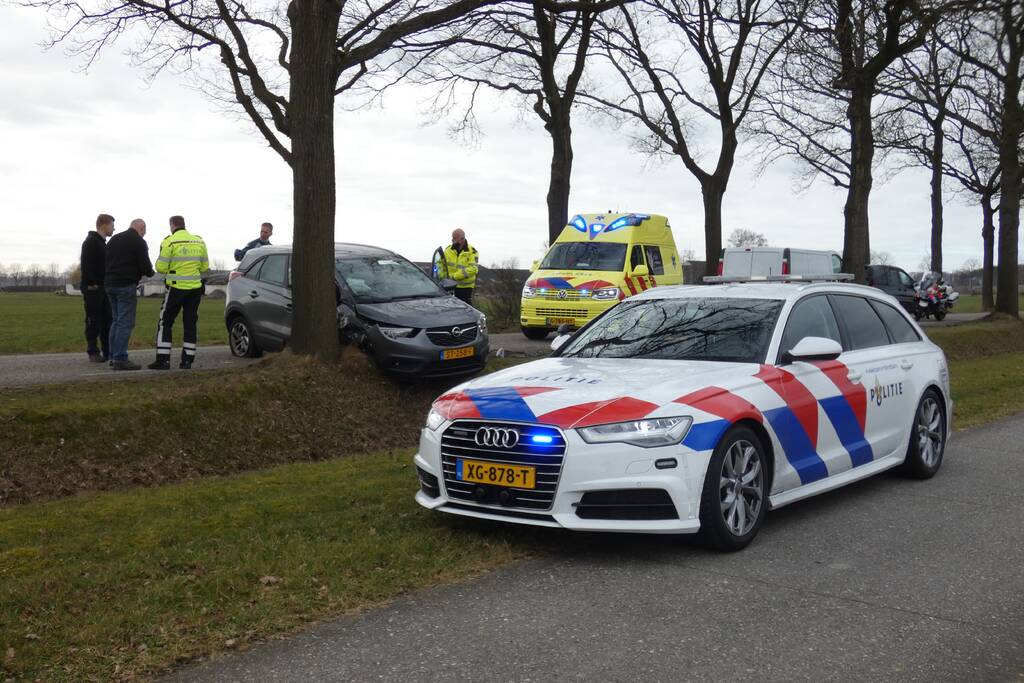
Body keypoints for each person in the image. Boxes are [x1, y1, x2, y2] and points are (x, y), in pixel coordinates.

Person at [149, 215, 209, 370]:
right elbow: (204, 267)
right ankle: (187, 360)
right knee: (190, 324)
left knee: (165, 322)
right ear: (184, 224)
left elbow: (160, 268)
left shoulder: (169, 241)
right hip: (194, 290)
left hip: (175, 289)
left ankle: (163, 360)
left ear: (172, 225)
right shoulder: (199, 241)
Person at [104, 218, 154, 371]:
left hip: (109, 284)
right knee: (125, 322)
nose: (144, 234)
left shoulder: (114, 239)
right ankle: (120, 358)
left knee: (116, 320)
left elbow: (105, 260)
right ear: (141, 228)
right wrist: (150, 272)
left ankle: (112, 355)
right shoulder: (138, 242)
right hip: (125, 285)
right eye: (144, 230)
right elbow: (146, 267)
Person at [81, 213, 114, 362]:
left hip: (104, 288)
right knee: (93, 319)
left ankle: (108, 351)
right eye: (112, 225)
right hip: (94, 289)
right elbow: (86, 265)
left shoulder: (103, 243)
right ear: (104, 225)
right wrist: (92, 284)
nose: (113, 228)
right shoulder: (91, 242)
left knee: (107, 319)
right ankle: (92, 351)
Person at [443, 228, 479, 304]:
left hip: (465, 288)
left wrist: (454, 276)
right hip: (449, 286)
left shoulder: (472, 252)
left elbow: (473, 269)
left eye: (455, 239)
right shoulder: (448, 250)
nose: (453, 241)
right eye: (452, 238)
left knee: (465, 311)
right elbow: (441, 264)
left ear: (462, 239)